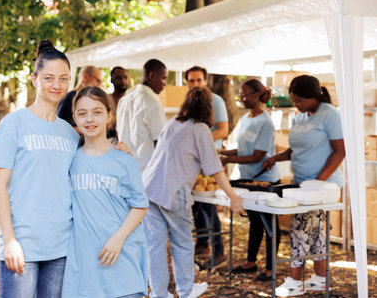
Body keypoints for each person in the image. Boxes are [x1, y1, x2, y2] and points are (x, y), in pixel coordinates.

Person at [0, 40, 79, 297]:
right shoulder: (13, 124)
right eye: (49, 78)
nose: (56, 85)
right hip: (22, 246)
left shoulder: (70, 134)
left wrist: (120, 151)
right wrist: (10, 241)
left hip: (61, 246)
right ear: (34, 80)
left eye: (63, 78)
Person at [142, 86, 244, 298]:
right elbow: (215, 168)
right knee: (183, 243)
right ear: (208, 108)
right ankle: (186, 291)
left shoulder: (171, 123)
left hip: (149, 188)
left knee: (155, 246)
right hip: (173, 191)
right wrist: (233, 196)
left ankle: (159, 294)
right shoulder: (200, 129)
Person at [262, 75, 345, 296]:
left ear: (313, 97)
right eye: (293, 100)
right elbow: (295, 149)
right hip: (300, 185)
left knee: (299, 229)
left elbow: (340, 151)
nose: (296, 105)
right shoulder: (299, 118)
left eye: (299, 100)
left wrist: (318, 182)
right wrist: (276, 158)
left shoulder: (329, 114)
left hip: (322, 187)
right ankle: (320, 278)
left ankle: (295, 281)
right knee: (316, 231)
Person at [61, 86, 148, 298]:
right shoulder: (69, 159)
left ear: (109, 115)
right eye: (82, 113)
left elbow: (140, 204)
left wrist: (117, 239)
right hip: (84, 270)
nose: (90, 119)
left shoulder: (123, 159)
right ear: (74, 118)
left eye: (97, 112)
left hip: (121, 265)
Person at [219, 79, 280, 281]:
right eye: (240, 95)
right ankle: (251, 262)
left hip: (265, 180)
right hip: (247, 179)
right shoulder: (245, 118)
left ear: (258, 94)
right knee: (255, 221)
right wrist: (222, 152)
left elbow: (258, 156)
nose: (242, 98)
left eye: (245, 94)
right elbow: (243, 150)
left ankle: (271, 268)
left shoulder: (266, 122)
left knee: (270, 223)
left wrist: (228, 159)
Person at [185, 66, 229, 267]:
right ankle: (202, 243)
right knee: (196, 204)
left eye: (198, 80)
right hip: (194, 160)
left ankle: (218, 250)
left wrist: (201, 139)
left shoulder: (216, 100)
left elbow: (223, 130)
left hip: (212, 159)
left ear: (206, 80)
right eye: (191, 81)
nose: (195, 84)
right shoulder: (189, 102)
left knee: (209, 207)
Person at [116, 59, 167, 172]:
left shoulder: (124, 100)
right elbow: (161, 143)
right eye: (163, 78)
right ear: (152, 75)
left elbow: (119, 133)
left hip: (125, 168)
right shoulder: (153, 103)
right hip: (146, 172)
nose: (165, 83)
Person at [57, 65, 103, 130]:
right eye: (98, 81)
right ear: (85, 77)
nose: (99, 86)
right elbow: (61, 128)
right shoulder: (71, 97)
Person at [107, 66, 130, 143]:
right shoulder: (106, 100)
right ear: (111, 80)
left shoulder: (131, 101)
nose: (123, 81)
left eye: (125, 78)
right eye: (119, 78)